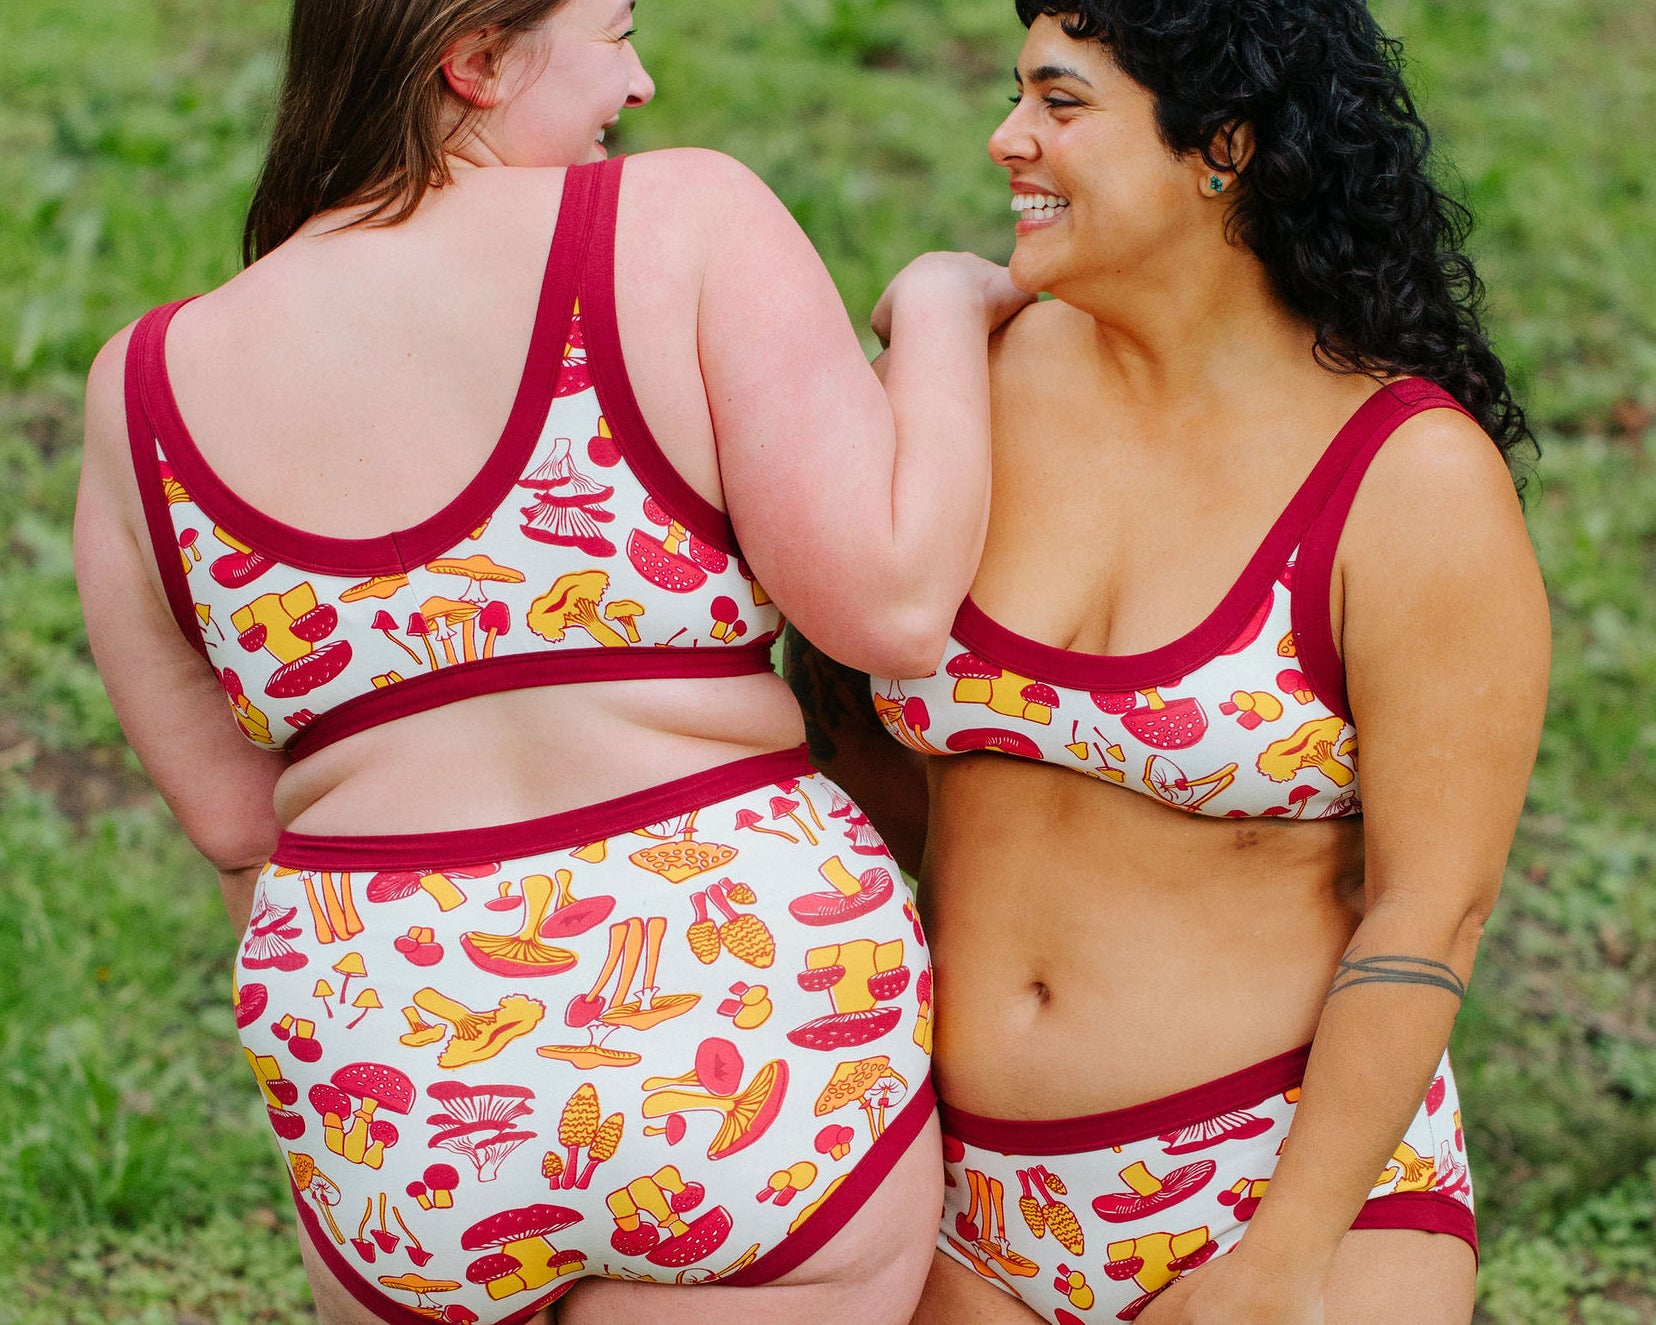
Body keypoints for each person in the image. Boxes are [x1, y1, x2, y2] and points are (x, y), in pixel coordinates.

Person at [73, 2, 1031, 1322]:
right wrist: (937, 312)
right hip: (730, 1015)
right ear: (472, 59)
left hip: (394, 1059)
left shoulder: (144, 387)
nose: (637, 83)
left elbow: (237, 817)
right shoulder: (685, 224)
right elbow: (893, 598)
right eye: (617, 32)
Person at [787, 2, 1550, 1322]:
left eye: (1060, 102)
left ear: (1227, 146)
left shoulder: (1407, 478)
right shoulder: (961, 386)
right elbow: (846, 760)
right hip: (956, 1197)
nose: (1006, 138)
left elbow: (1432, 908)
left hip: (1285, 1189)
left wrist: (1283, 1260)